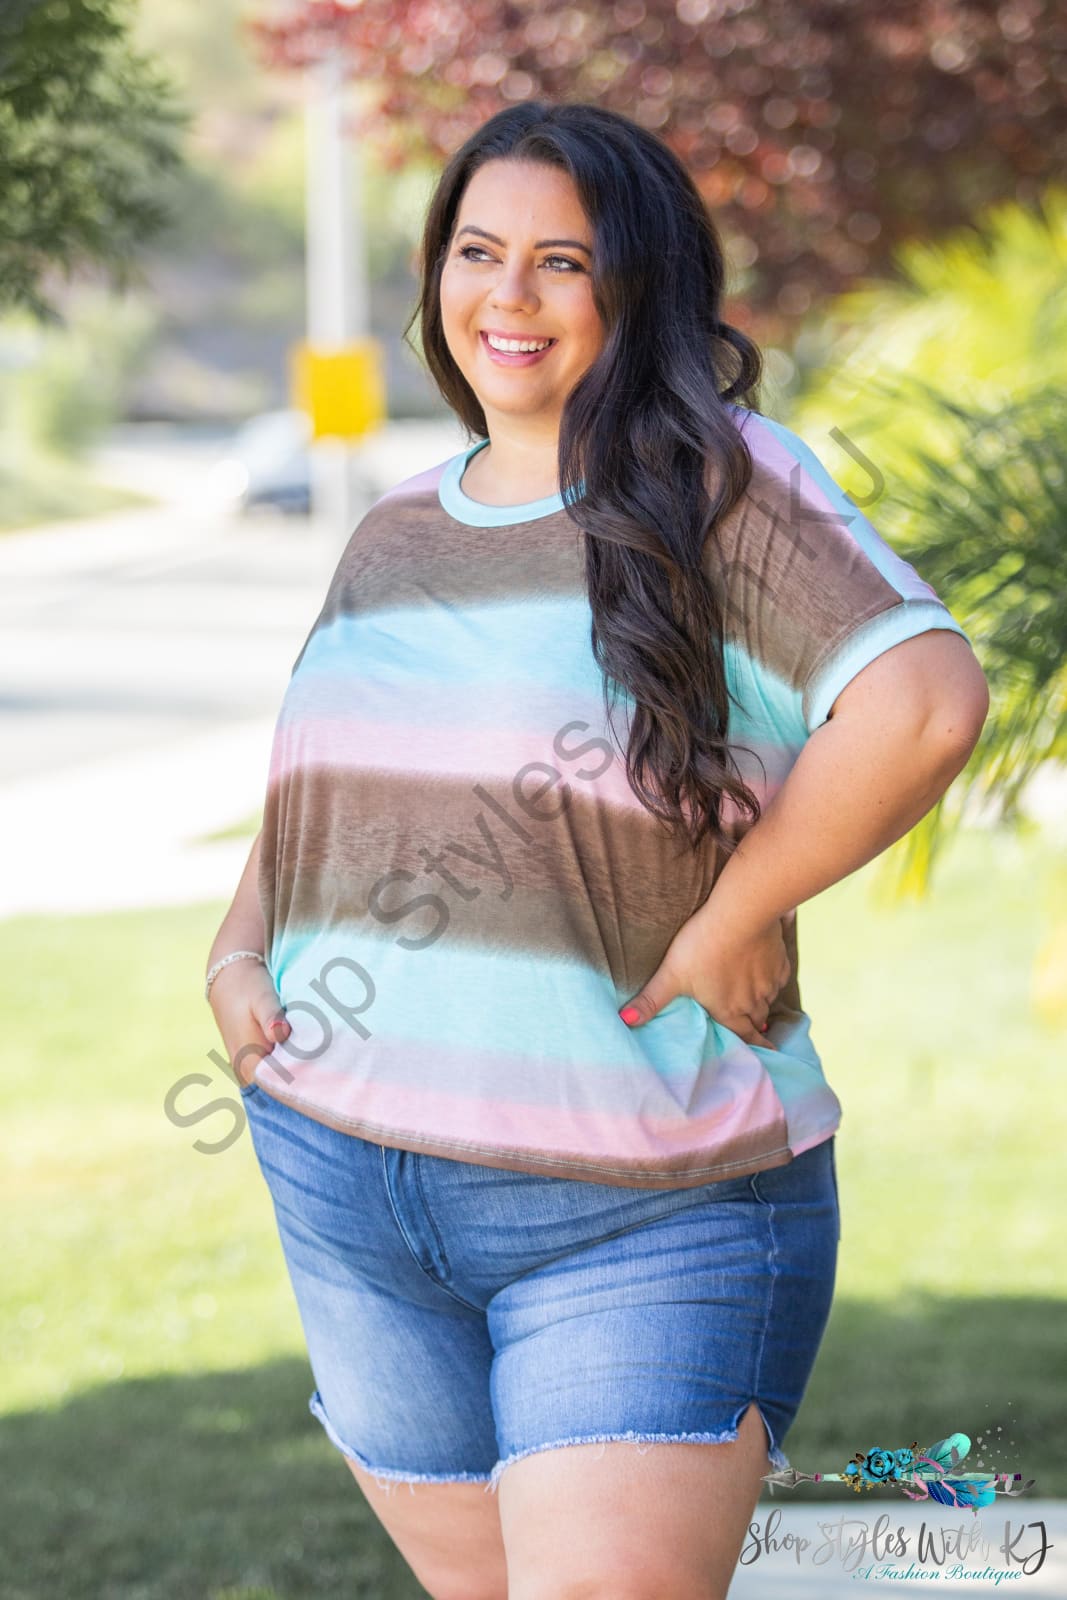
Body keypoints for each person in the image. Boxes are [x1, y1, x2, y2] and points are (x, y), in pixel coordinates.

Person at [205, 101, 989, 1600]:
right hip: (346, 1191)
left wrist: (739, 907)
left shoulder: (717, 486)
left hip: (644, 1208)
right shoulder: (388, 530)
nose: (507, 296)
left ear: (639, 288)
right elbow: (329, 784)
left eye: (562, 260)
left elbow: (924, 702)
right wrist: (239, 954)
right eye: (477, 251)